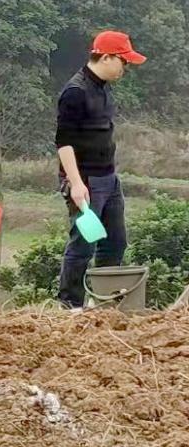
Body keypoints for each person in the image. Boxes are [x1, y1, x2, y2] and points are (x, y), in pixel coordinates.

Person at [55, 30, 145, 308]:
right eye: (123, 61)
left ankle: (104, 301)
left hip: (109, 177)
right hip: (87, 181)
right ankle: (70, 304)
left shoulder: (103, 87)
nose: (125, 68)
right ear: (106, 57)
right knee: (83, 245)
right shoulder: (75, 92)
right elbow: (64, 143)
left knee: (115, 243)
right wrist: (77, 184)